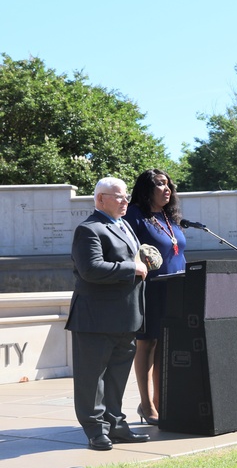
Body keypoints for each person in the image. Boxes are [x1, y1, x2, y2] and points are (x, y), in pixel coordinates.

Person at [66, 177, 150, 451]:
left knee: (116, 377)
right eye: (119, 196)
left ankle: (116, 424)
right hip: (95, 319)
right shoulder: (88, 229)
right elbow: (90, 269)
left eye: (126, 197)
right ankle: (95, 430)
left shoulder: (123, 225)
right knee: (92, 378)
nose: (126, 201)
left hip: (126, 316)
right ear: (100, 199)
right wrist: (132, 269)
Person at [124, 169, 187, 426]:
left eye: (168, 184)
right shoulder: (136, 215)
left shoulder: (169, 217)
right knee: (147, 344)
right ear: (147, 189)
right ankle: (146, 404)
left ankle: (161, 402)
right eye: (160, 184)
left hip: (175, 289)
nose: (167, 188)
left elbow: (177, 251)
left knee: (165, 345)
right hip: (149, 289)